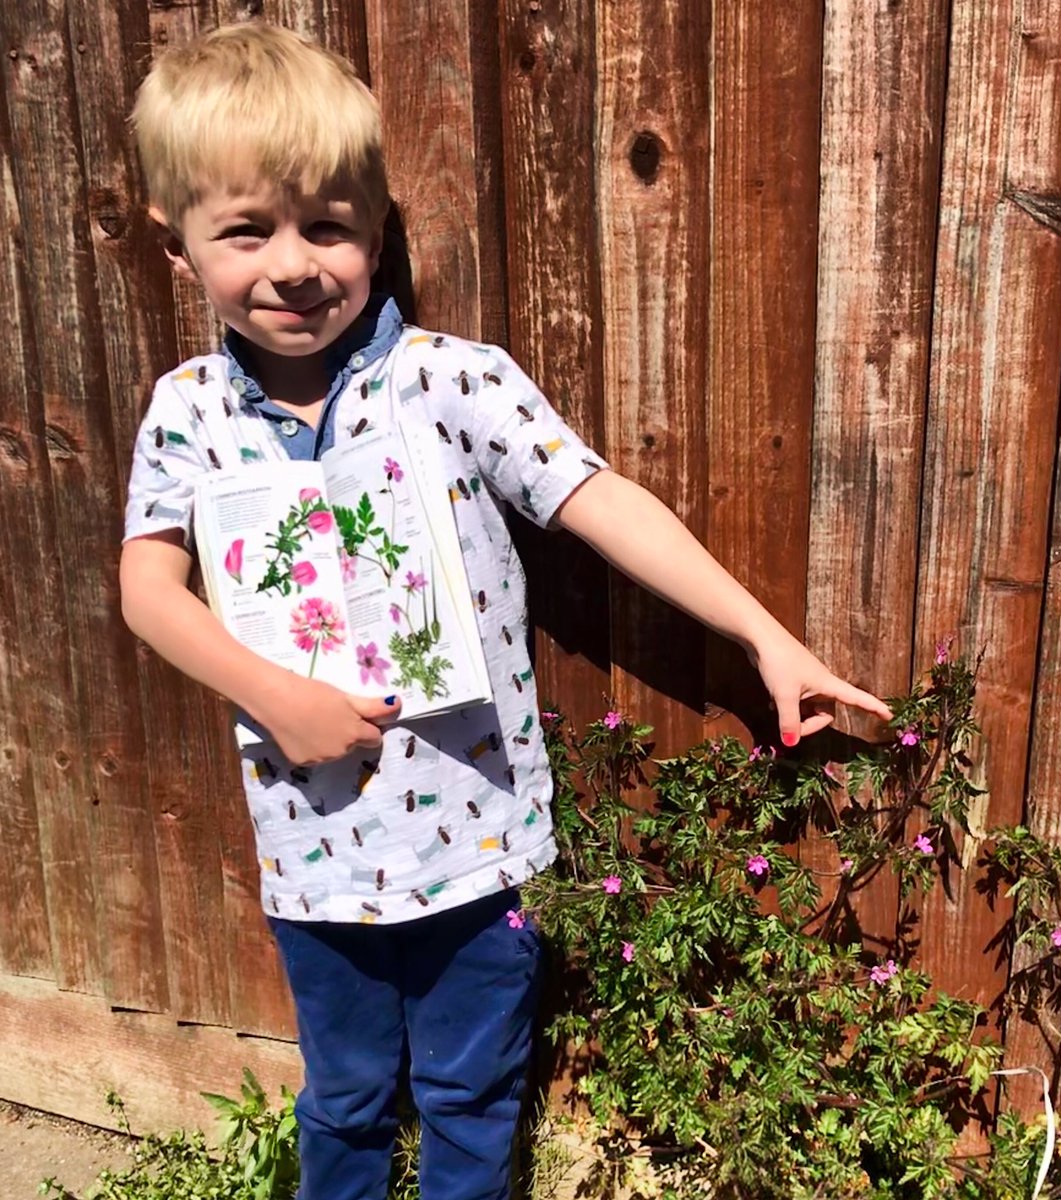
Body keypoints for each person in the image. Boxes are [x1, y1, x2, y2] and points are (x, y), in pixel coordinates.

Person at [120, 22, 892, 1200]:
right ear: (182, 254)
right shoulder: (186, 412)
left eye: (327, 225)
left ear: (375, 232)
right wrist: (277, 697)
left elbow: (602, 503)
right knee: (341, 1102)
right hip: (313, 857)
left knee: (476, 1100)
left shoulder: (452, 381)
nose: (293, 263)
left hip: (476, 845)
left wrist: (765, 638)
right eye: (245, 231)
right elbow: (147, 590)